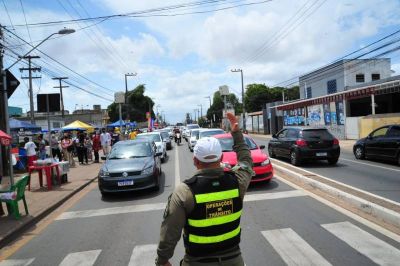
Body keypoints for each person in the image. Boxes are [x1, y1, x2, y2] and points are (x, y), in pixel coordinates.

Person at [155, 113, 253, 266]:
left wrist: (162, 260)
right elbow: (246, 161)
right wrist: (236, 134)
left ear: (195, 161)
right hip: (234, 260)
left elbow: (170, 233)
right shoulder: (238, 182)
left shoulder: (184, 191)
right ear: (221, 159)